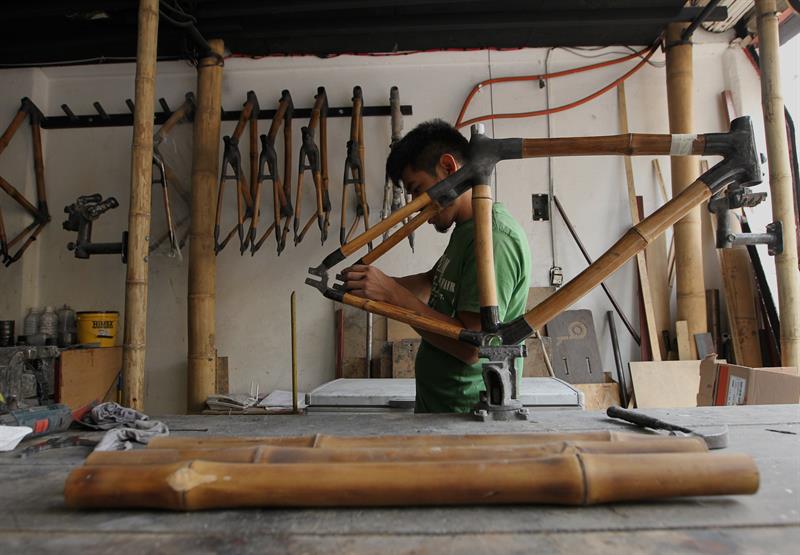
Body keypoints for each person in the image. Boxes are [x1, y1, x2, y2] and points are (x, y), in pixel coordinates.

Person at [342, 119, 531, 413]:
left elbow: (472, 347)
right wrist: (371, 283)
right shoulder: (467, 228)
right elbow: (435, 280)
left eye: (418, 190)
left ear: (448, 168)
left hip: (467, 414)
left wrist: (392, 295)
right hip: (444, 406)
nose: (416, 205)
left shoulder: (492, 238)